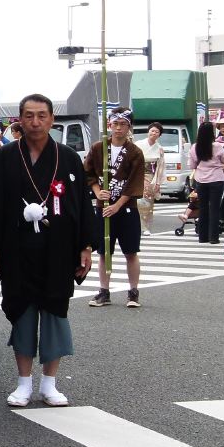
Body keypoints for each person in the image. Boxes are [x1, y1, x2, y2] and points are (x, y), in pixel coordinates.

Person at [0, 94, 94, 408]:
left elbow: (81, 204)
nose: (35, 122)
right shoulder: (3, 157)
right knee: (23, 313)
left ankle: (50, 384)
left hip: (58, 250)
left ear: (52, 119)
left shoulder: (67, 158)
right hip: (16, 249)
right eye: (28, 115)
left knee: (55, 312)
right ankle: (24, 382)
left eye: (42, 115)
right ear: (20, 120)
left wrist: (85, 246)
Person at [85, 108, 145, 309]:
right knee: (104, 253)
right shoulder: (97, 148)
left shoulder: (135, 152)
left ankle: (133, 291)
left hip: (126, 208)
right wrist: (97, 191)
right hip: (103, 208)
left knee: (131, 252)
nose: (118, 128)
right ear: (109, 125)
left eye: (123, 124)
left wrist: (118, 205)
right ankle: (104, 291)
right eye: (115, 124)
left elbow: (135, 183)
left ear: (129, 127)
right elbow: (89, 174)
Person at [189, 122, 224, 245]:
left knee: (202, 208)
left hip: (201, 179)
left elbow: (192, 165)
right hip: (216, 179)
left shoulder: (194, 147)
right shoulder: (217, 146)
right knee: (214, 208)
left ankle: (202, 237)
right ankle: (213, 237)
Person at [135, 122, 165, 236]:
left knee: (148, 203)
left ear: (159, 135)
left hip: (151, 177)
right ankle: (137, 225)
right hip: (138, 175)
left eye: (157, 132)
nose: (154, 133)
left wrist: (157, 182)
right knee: (137, 202)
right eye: (152, 131)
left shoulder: (159, 149)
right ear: (148, 132)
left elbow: (161, 166)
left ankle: (146, 227)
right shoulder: (138, 144)